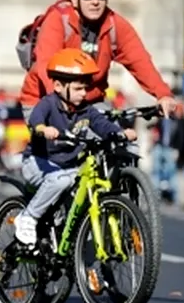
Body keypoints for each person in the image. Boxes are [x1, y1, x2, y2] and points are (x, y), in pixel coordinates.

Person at [19, 0, 177, 119]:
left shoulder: (114, 25)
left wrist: (163, 94)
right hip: (44, 101)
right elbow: (47, 67)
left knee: (119, 140)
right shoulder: (58, 20)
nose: (95, 1)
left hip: (91, 103)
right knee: (63, 141)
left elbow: (140, 61)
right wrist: (65, 104)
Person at [13, 49, 137, 246]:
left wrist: (119, 133)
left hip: (66, 168)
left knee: (81, 185)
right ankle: (28, 217)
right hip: (38, 163)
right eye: (79, 89)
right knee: (61, 181)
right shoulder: (48, 104)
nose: (84, 93)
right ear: (58, 86)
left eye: (85, 89)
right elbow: (36, 119)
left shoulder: (85, 110)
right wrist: (43, 129)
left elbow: (101, 124)